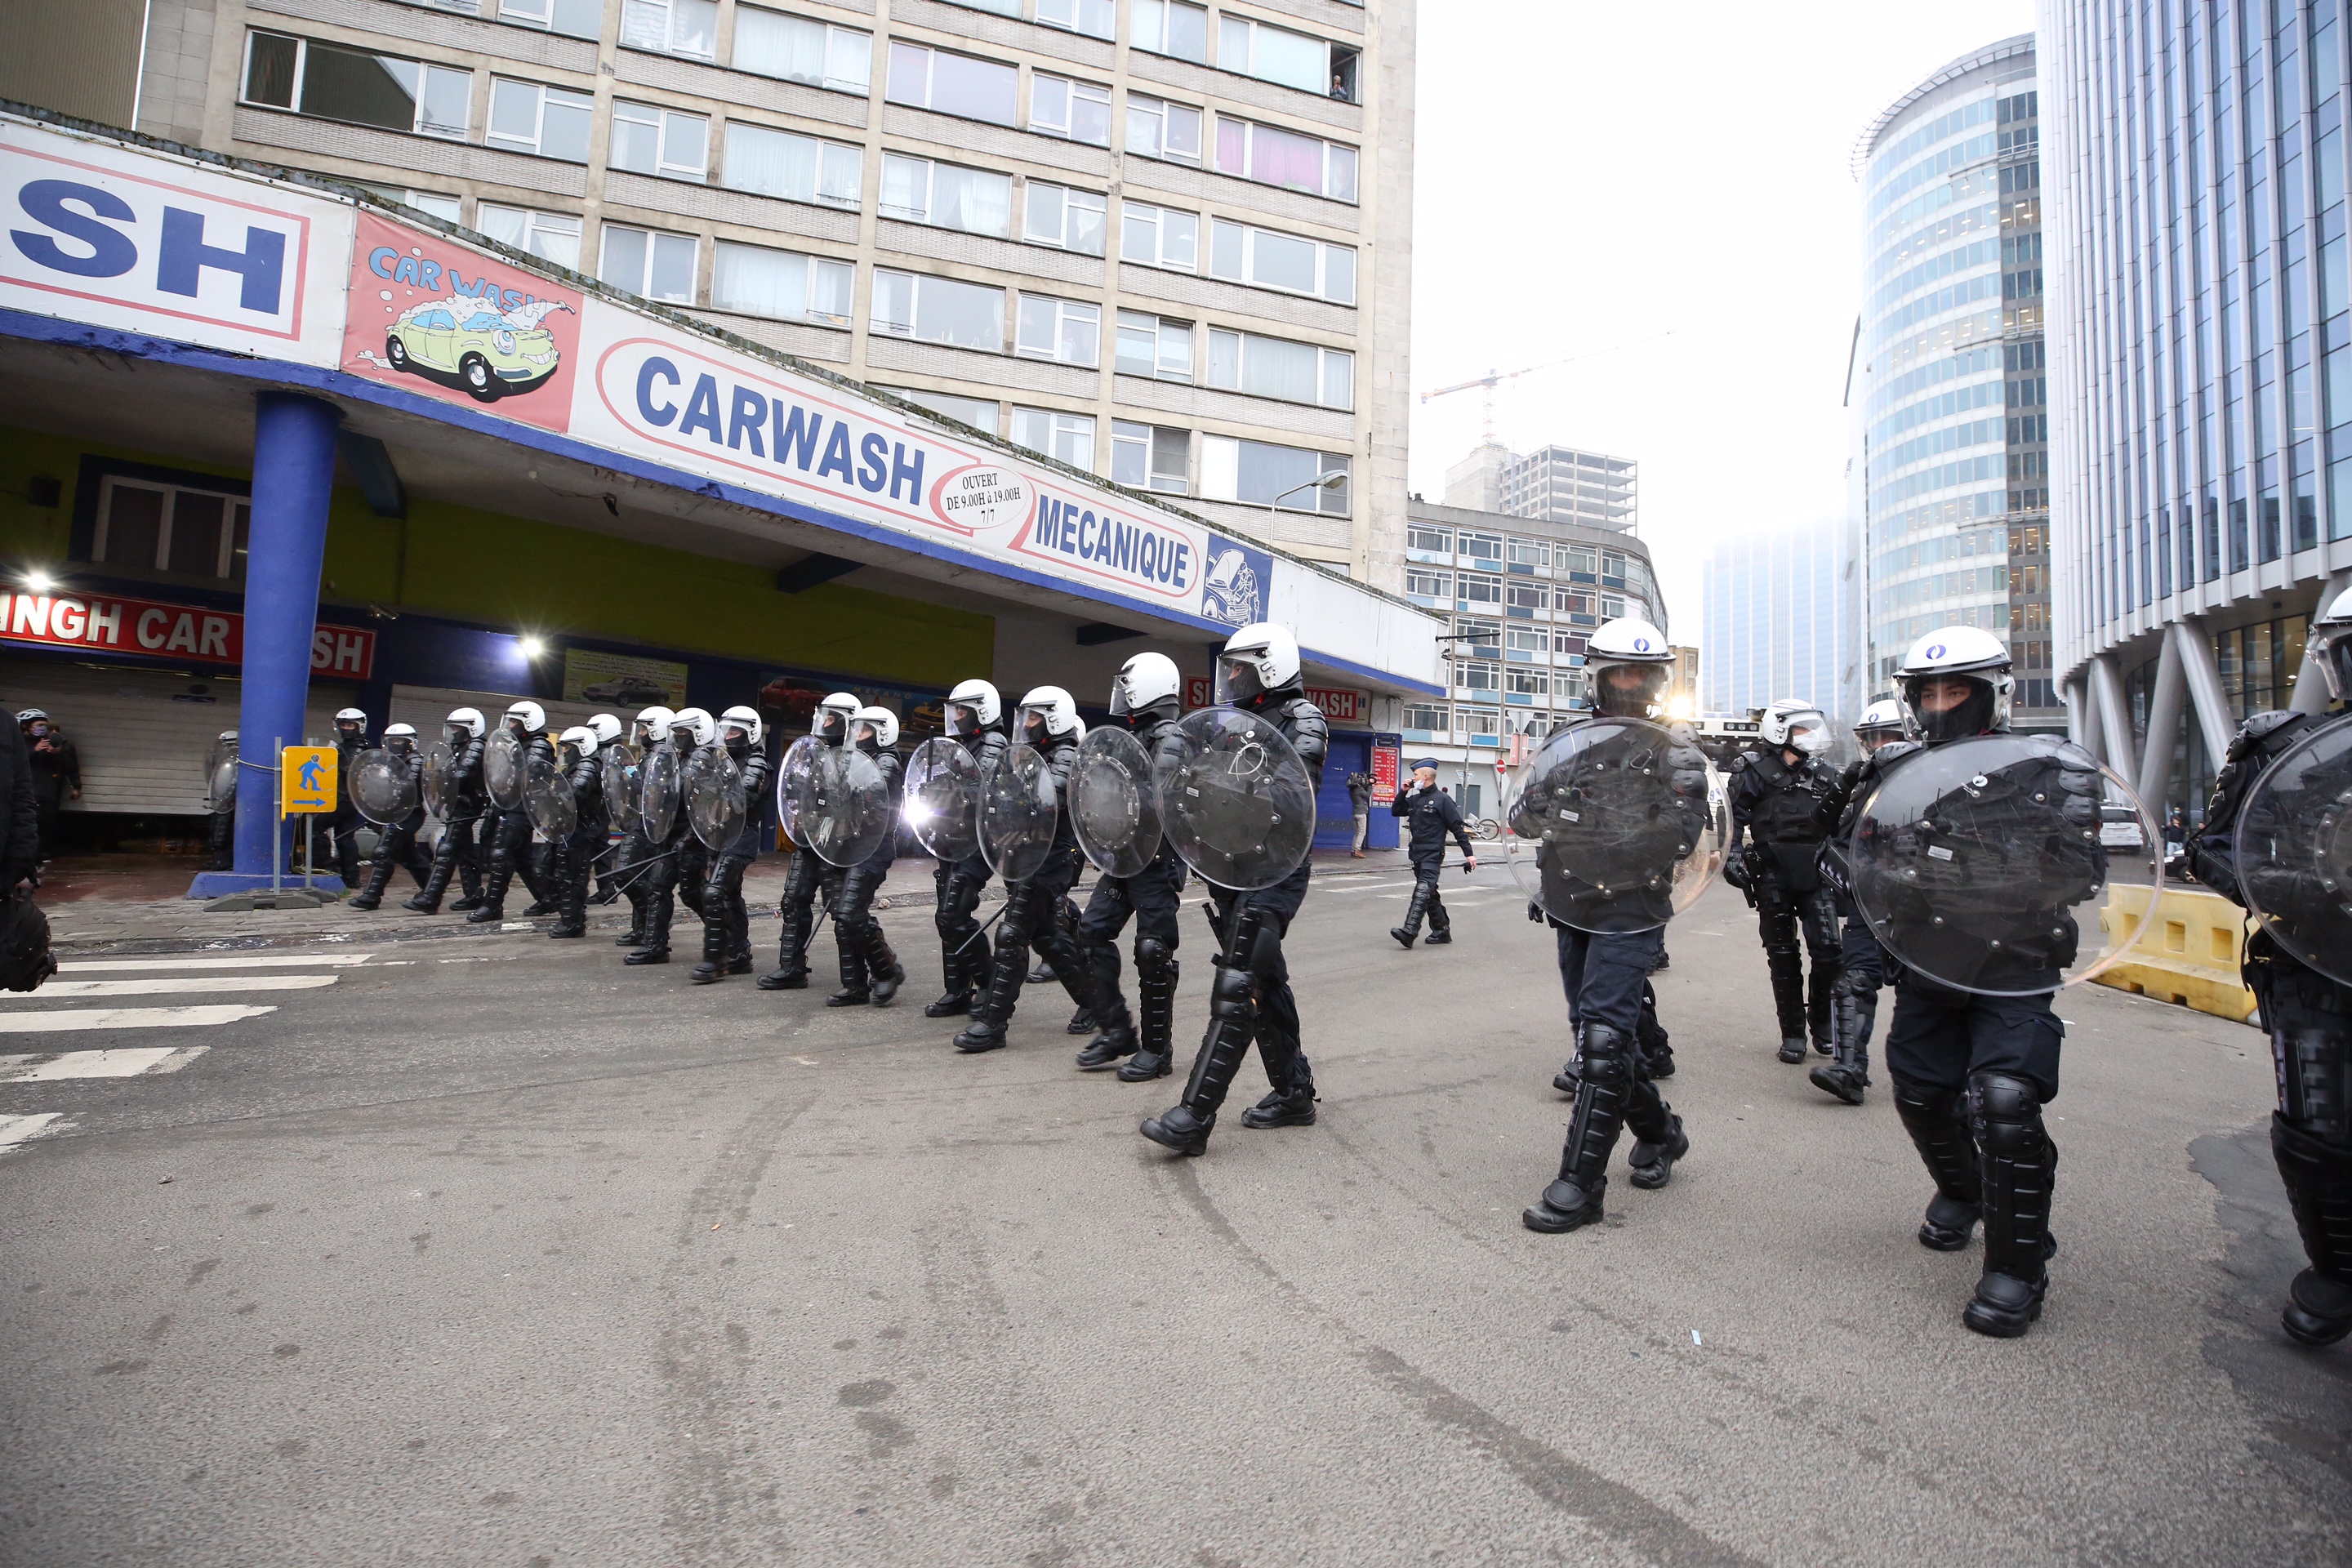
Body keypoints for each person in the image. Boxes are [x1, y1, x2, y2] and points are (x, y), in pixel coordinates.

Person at [1854, 626, 2095, 1339]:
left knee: (2006, 1099)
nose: (1939, 704)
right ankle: (1963, 1190)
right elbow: (1850, 855)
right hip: (1929, 960)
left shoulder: (2053, 766)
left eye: (1954, 690)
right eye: (1926, 692)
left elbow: (2082, 869)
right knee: (1923, 1090)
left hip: (2014, 961)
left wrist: (1985, 865)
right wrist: (1882, 877)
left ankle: (2017, 1266)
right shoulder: (1892, 769)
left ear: (1992, 693)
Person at [2188, 582, 2352, 1348]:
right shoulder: (2283, 746)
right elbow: (2214, 849)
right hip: (2313, 966)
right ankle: (2337, 1269)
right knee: (2316, 1128)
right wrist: (2294, 887)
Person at [1519, 618, 1705, 1233]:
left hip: (1632, 906)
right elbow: (1523, 814)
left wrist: (1583, 816)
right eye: (1618, 671)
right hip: (1572, 900)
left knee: (1600, 1040)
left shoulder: (1674, 746)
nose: (1628, 683)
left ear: (1655, 680)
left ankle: (1581, 1185)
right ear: (1597, 676)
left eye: (1640, 674)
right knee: (1597, 1035)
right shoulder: (1566, 738)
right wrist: (1556, 809)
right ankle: (1661, 1132)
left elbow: (1676, 836)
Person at [1140, 623, 1329, 1153]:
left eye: (1242, 666)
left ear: (1270, 665)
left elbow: (1295, 793)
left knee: (1237, 983)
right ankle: (1294, 1093)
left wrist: (1223, 782)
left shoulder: (1302, 718)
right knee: (1265, 985)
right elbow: (1195, 779)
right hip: (1229, 868)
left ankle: (1193, 1118)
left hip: (1276, 869)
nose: (1233, 676)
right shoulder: (1229, 723)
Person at [953, 687, 1094, 1053]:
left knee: (1012, 935)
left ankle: (993, 1024)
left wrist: (1008, 796)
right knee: (1049, 937)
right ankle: (1097, 1002)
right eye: (1026, 717)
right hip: (1027, 855)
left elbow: (1048, 800)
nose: (1027, 724)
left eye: (1034, 717)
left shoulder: (1065, 754)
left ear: (1055, 717)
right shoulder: (1034, 754)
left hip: (1049, 860)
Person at [1073, 653, 1190, 1080]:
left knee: (1153, 950)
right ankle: (1117, 1030)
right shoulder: (1131, 735)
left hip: (1157, 860)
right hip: (1124, 856)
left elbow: (1173, 798)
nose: (1121, 694)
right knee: (1091, 932)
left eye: (1129, 685)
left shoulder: (1172, 739)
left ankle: (1158, 1050)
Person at [1724, 699, 1845, 1064]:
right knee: (1783, 956)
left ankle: (1821, 1022)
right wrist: (1732, 855)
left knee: (1829, 952)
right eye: (1801, 729)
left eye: (1812, 729)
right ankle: (1793, 1033)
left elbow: (1844, 826)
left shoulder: (1827, 775)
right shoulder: (1752, 772)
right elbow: (1732, 820)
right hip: (1772, 871)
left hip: (1816, 872)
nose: (1810, 737)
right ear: (1779, 731)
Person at [1804, 698, 1909, 1107]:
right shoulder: (1861, 782)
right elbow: (1824, 825)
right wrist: (1849, 780)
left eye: (1889, 737)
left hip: (1925, 906)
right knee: (1854, 980)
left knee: (1930, 994)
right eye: (1873, 738)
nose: (1881, 745)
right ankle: (1849, 1069)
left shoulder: (1940, 779)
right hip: (1873, 899)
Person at [761, 693, 861, 989]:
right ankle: (792, 968)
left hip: (836, 843)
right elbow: (799, 787)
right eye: (824, 716)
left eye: (831, 718)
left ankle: (860, 979)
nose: (824, 722)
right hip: (808, 837)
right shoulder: (813, 752)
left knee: (842, 913)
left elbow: (860, 801)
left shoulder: (856, 758)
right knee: (793, 901)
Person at [926, 679, 1010, 1018]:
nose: (957, 715)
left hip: (976, 843)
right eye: (955, 709)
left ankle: (988, 983)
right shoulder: (958, 745)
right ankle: (957, 990)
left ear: (982, 711)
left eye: (963, 709)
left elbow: (978, 787)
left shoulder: (992, 743)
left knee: (952, 914)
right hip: (951, 838)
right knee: (946, 916)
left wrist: (948, 786)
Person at [822, 706, 906, 1004]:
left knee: (851, 913)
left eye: (865, 730)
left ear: (882, 732)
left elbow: (872, 790)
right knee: (841, 916)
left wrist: (845, 791)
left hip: (873, 846)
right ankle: (854, 985)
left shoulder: (887, 761)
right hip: (844, 844)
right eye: (856, 729)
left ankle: (887, 970)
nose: (857, 735)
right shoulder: (847, 760)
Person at [685, 705, 769, 980]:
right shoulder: (719, 761)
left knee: (714, 892)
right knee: (731, 896)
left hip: (742, 837)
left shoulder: (756, 764)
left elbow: (739, 798)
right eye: (725, 730)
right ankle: (738, 953)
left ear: (750, 733)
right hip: (718, 835)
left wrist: (710, 786)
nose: (728, 736)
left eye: (735, 731)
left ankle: (716, 960)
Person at [629, 707, 715, 963]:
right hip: (669, 835)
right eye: (675, 731)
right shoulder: (677, 758)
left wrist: (688, 838)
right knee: (658, 888)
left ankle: (729, 940)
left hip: (692, 839)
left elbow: (707, 810)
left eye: (682, 731)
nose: (677, 736)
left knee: (693, 894)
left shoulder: (706, 761)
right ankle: (656, 946)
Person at [469, 702, 559, 924]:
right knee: (521, 859)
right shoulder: (517, 744)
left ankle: (492, 906)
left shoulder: (539, 745)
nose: (509, 725)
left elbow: (527, 776)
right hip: (510, 806)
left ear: (529, 721)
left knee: (502, 855)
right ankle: (549, 898)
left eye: (514, 721)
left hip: (523, 808)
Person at [407, 708, 488, 913]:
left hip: (467, 804)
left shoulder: (476, 746)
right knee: (464, 852)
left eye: (458, 728)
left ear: (471, 728)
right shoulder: (461, 747)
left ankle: (432, 898)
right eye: (452, 728)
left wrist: (442, 778)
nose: (454, 732)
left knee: (446, 850)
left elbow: (465, 773)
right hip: (457, 804)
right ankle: (474, 895)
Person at [1390, 758, 1475, 948]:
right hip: (1417, 855)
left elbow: (1457, 828)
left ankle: (1410, 931)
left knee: (1422, 891)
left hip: (1433, 854)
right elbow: (1396, 811)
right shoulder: (1416, 798)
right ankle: (1442, 930)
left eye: (1416, 775)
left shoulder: (1443, 800)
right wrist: (1403, 792)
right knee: (1429, 893)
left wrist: (1469, 854)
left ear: (1425, 776)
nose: (1413, 778)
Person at [345, 723, 431, 910]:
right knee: (410, 857)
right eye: (392, 741)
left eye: (400, 740)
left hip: (409, 814)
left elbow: (409, 784)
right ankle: (431, 890)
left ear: (410, 742)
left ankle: (372, 896)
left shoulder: (415, 760)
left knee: (383, 852)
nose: (396, 744)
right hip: (390, 814)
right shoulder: (384, 761)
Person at [610, 706, 674, 949]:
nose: (642, 732)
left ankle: (654, 922)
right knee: (637, 875)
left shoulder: (663, 755)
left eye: (647, 727)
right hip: (641, 821)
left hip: (651, 825)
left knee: (628, 873)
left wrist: (630, 778)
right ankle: (642, 928)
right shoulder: (651, 754)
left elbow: (654, 790)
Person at [547, 724, 608, 941]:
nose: (564, 752)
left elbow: (573, 794)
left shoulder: (587, 767)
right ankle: (571, 918)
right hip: (571, 829)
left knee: (571, 878)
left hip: (579, 829)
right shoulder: (578, 766)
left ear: (581, 747)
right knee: (564, 876)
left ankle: (572, 922)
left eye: (568, 747)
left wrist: (551, 796)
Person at [17, 710, 78, 863]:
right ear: (25, 726)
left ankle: (39, 855)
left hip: (45, 793)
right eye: (38, 726)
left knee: (44, 825)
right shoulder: (18, 743)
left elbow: (68, 766)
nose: (42, 730)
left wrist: (57, 753)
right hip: (23, 793)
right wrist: (34, 751)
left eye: (44, 726)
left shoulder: (50, 742)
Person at [327, 706, 370, 887]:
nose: (346, 728)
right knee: (344, 838)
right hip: (344, 798)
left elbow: (350, 771)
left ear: (360, 726)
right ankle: (350, 878)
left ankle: (324, 868)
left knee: (315, 829)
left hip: (346, 800)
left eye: (350, 725)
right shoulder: (344, 747)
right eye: (343, 724)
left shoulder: (358, 748)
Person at [585, 713, 625, 905]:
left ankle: (601, 889)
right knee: (599, 848)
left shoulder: (607, 753)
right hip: (603, 808)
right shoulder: (613, 752)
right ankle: (607, 889)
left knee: (589, 847)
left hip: (599, 809)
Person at [205, 730, 237, 871]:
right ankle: (220, 860)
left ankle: (224, 861)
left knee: (224, 831)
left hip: (234, 802)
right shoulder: (227, 759)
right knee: (219, 830)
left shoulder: (236, 759)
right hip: (227, 801)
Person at [1347, 768, 1374, 857]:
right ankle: (1357, 850)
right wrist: (1370, 785)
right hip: (1361, 813)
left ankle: (1353, 850)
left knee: (1357, 833)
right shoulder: (1359, 789)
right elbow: (1367, 795)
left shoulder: (1352, 789)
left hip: (1355, 812)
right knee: (1362, 832)